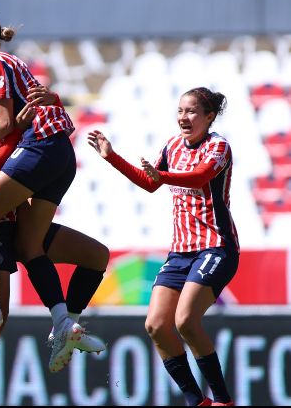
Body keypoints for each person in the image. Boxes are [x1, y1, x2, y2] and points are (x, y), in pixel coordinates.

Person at [0, 77, 109, 406]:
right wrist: (15, 131)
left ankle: (64, 328)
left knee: (97, 256)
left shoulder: (0, 121)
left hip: (21, 220)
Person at [0, 13, 87, 373]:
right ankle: (63, 322)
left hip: (40, 146)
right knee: (31, 246)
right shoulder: (8, 62)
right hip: (61, 155)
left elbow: (5, 123)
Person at [87, 87, 237, 407]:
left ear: (209, 117)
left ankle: (223, 400)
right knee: (155, 325)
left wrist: (163, 175)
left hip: (216, 248)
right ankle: (196, 401)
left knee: (185, 321)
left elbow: (199, 178)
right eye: (181, 110)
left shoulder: (218, 146)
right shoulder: (172, 145)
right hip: (181, 251)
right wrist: (111, 156)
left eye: (192, 111)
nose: (184, 117)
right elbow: (151, 182)